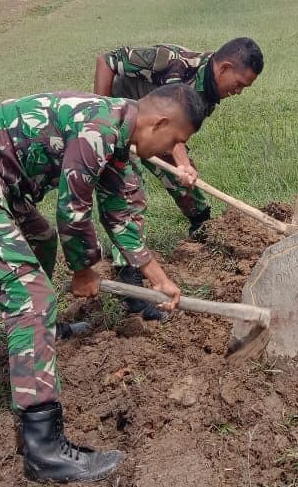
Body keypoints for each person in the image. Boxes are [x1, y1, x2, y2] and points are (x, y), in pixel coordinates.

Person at [0, 85, 207, 483]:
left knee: (41, 238)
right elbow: (73, 206)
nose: (171, 151)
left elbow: (118, 214)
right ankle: (45, 450)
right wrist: (84, 270)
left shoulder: (119, 132)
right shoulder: (98, 130)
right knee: (30, 294)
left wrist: (160, 279)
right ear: (159, 122)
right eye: (175, 140)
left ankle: (43, 330)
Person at [93, 38, 263, 319]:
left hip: (160, 127)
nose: (239, 92)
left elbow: (176, 132)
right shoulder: (172, 61)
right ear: (225, 68)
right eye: (240, 84)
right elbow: (106, 61)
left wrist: (184, 166)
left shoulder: (209, 92)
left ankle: (203, 227)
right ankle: (129, 275)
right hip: (124, 121)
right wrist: (105, 120)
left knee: (186, 181)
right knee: (128, 193)